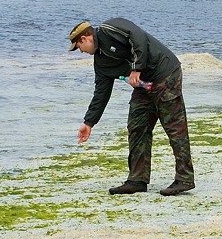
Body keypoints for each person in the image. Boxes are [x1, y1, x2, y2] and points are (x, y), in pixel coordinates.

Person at [70, 18, 195, 196]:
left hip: (165, 72)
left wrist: (136, 68)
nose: (81, 52)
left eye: (79, 47)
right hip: (144, 86)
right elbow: (101, 94)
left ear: (85, 38)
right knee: (137, 126)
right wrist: (89, 122)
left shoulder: (109, 28)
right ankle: (137, 180)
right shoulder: (101, 63)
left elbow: (138, 36)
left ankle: (185, 178)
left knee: (175, 127)